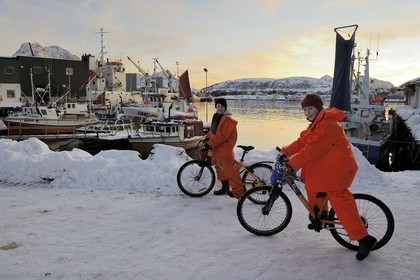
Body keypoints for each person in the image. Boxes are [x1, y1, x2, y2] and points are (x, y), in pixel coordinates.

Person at [279, 93, 377, 261]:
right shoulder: (316, 124)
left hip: (337, 169)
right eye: (305, 109)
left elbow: (312, 150)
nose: (308, 112)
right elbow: (303, 142)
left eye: (310, 108)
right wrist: (285, 152)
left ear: (318, 108)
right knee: (314, 189)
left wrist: (291, 164)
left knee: (340, 201)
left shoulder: (327, 125)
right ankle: (320, 217)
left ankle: (364, 239)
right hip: (325, 167)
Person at [204, 98, 244, 199]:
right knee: (219, 169)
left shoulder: (228, 119)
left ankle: (239, 191)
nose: (220, 108)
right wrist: (207, 137)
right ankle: (225, 188)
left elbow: (222, 135)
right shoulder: (217, 116)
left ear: (225, 107)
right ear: (216, 107)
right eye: (218, 106)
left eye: (222, 106)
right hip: (217, 148)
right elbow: (213, 131)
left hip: (225, 149)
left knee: (229, 170)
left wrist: (210, 143)